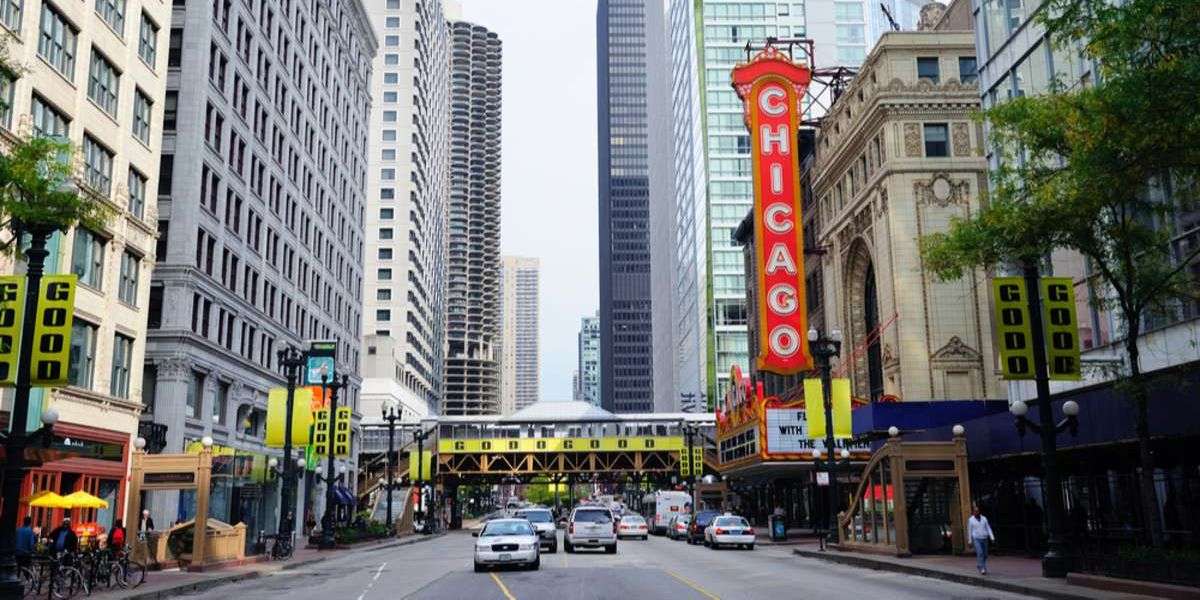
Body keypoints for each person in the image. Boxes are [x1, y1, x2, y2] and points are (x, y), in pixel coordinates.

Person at [968, 504, 996, 575]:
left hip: (985, 538)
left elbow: (988, 528)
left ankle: (979, 564)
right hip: (976, 538)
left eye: (977, 511)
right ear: (973, 512)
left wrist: (992, 537)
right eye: (975, 511)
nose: (976, 512)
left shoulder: (984, 518)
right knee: (980, 553)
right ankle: (982, 568)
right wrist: (970, 541)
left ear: (979, 511)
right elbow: (969, 531)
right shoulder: (971, 520)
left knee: (985, 554)